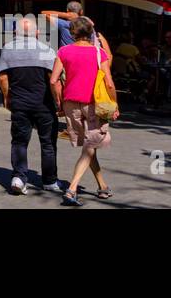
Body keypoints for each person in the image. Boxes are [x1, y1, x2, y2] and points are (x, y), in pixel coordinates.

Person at [52, 17, 118, 206]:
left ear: (72, 33)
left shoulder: (63, 51)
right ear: (90, 33)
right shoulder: (99, 53)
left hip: (71, 104)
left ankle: (103, 186)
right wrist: (115, 104)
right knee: (90, 146)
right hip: (93, 103)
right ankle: (72, 189)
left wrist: (59, 101)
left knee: (90, 146)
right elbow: (109, 82)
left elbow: (53, 80)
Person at [0, 16, 64, 195]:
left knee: (19, 141)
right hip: (44, 104)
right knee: (48, 143)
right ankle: (50, 181)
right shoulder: (47, 49)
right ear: (36, 32)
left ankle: (19, 178)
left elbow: (3, 77)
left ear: (15, 33)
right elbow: (54, 80)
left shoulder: (8, 49)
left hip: (20, 103)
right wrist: (59, 101)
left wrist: (7, 97)